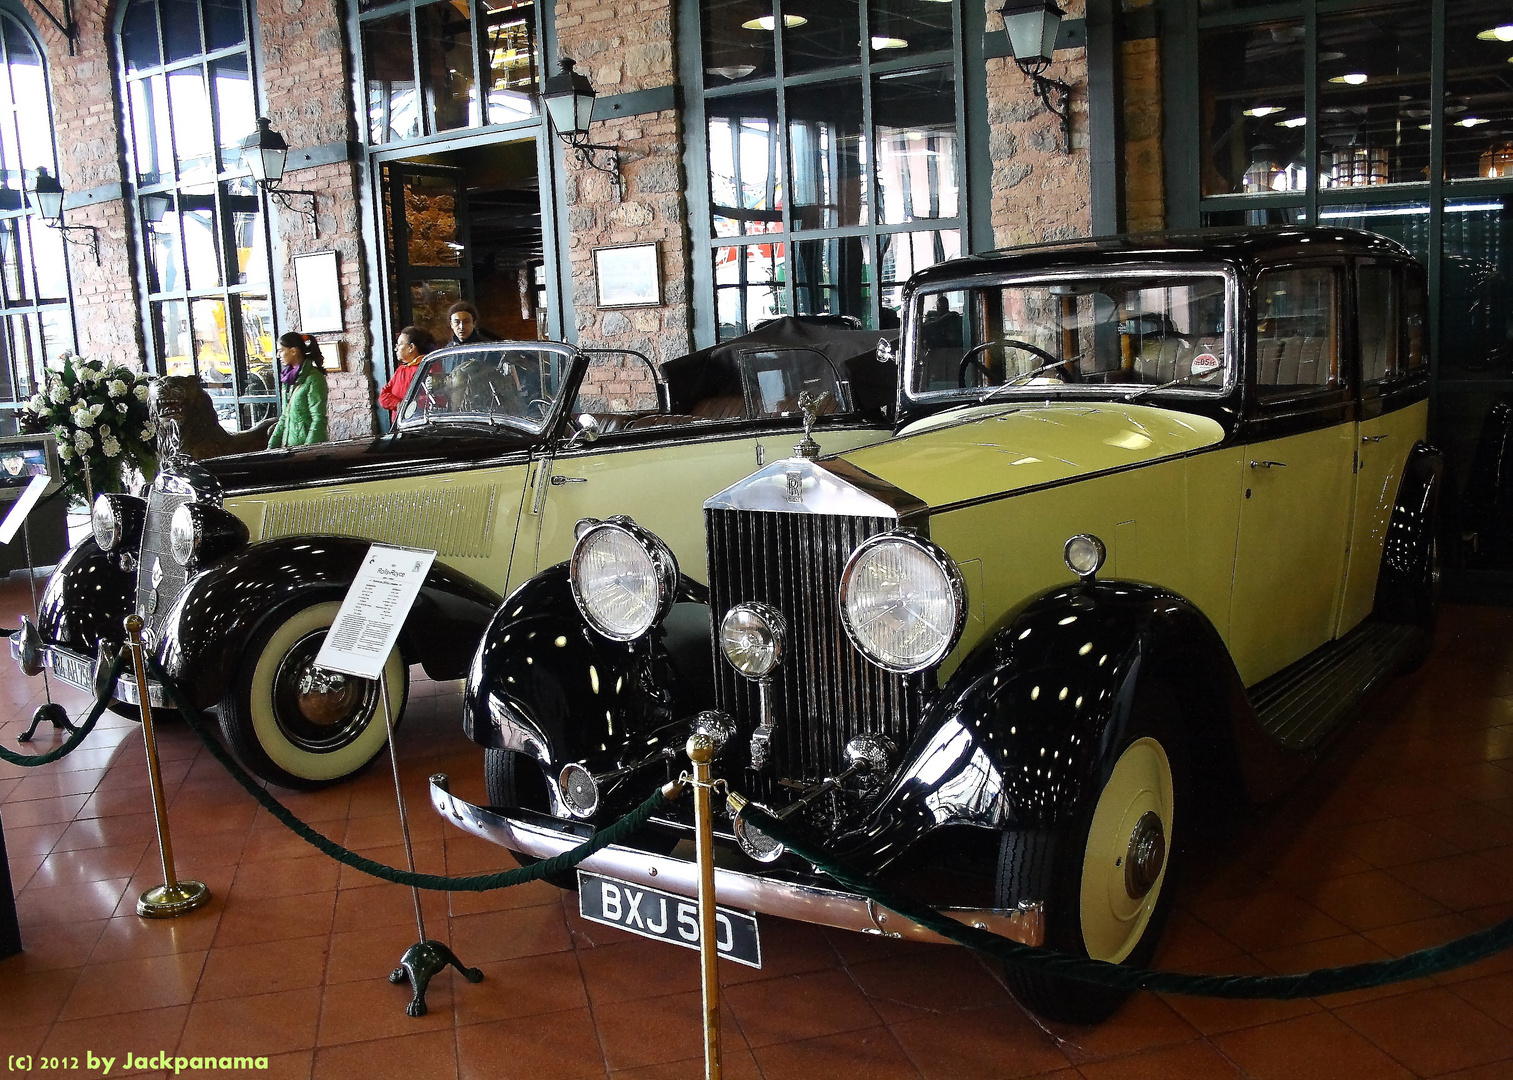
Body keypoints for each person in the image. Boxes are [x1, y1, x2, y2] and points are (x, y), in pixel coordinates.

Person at [267, 332, 328, 448]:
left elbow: (318, 419)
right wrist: (271, 446)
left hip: (307, 451)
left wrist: (308, 450)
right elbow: (285, 416)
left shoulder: (314, 378)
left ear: (294, 351)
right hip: (291, 447)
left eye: (281, 350)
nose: (278, 355)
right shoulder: (289, 379)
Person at [378, 326, 436, 421]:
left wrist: (410, 406)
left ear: (411, 347)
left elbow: (435, 398)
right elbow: (383, 396)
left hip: (419, 423)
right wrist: (399, 404)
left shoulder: (429, 368)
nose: (396, 349)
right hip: (400, 424)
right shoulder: (401, 370)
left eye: (399, 344)